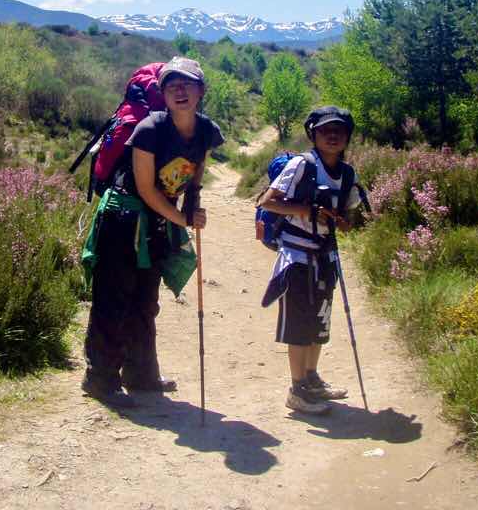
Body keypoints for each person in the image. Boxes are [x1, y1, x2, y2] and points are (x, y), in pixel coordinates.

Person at [81, 56, 224, 408]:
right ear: (162, 91)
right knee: (114, 298)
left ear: (200, 91)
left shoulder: (206, 131)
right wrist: (182, 220)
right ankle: (100, 379)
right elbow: (145, 190)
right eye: (171, 84)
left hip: (154, 222)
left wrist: (191, 205)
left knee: (145, 300)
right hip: (123, 218)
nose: (179, 90)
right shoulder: (148, 130)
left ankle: (141, 374)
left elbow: (194, 175)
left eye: (187, 84)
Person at [258, 106, 360, 414]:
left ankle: (312, 380)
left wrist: (342, 222)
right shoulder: (302, 166)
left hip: (325, 255)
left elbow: (349, 215)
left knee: (319, 321)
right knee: (300, 325)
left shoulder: (348, 173)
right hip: (297, 256)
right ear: (313, 134)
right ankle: (297, 390)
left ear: (347, 137)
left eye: (339, 131)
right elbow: (268, 202)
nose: (332, 135)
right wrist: (308, 212)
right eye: (326, 130)